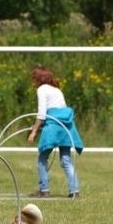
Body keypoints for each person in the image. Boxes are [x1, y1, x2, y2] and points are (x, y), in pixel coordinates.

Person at [27, 66, 84, 198]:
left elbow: (42, 114)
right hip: (66, 126)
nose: (33, 82)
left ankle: (44, 189)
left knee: (42, 158)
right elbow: (58, 112)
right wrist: (37, 126)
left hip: (54, 125)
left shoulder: (41, 89)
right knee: (66, 160)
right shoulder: (57, 90)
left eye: (34, 79)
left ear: (39, 79)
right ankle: (74, 190)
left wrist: (34, 131)